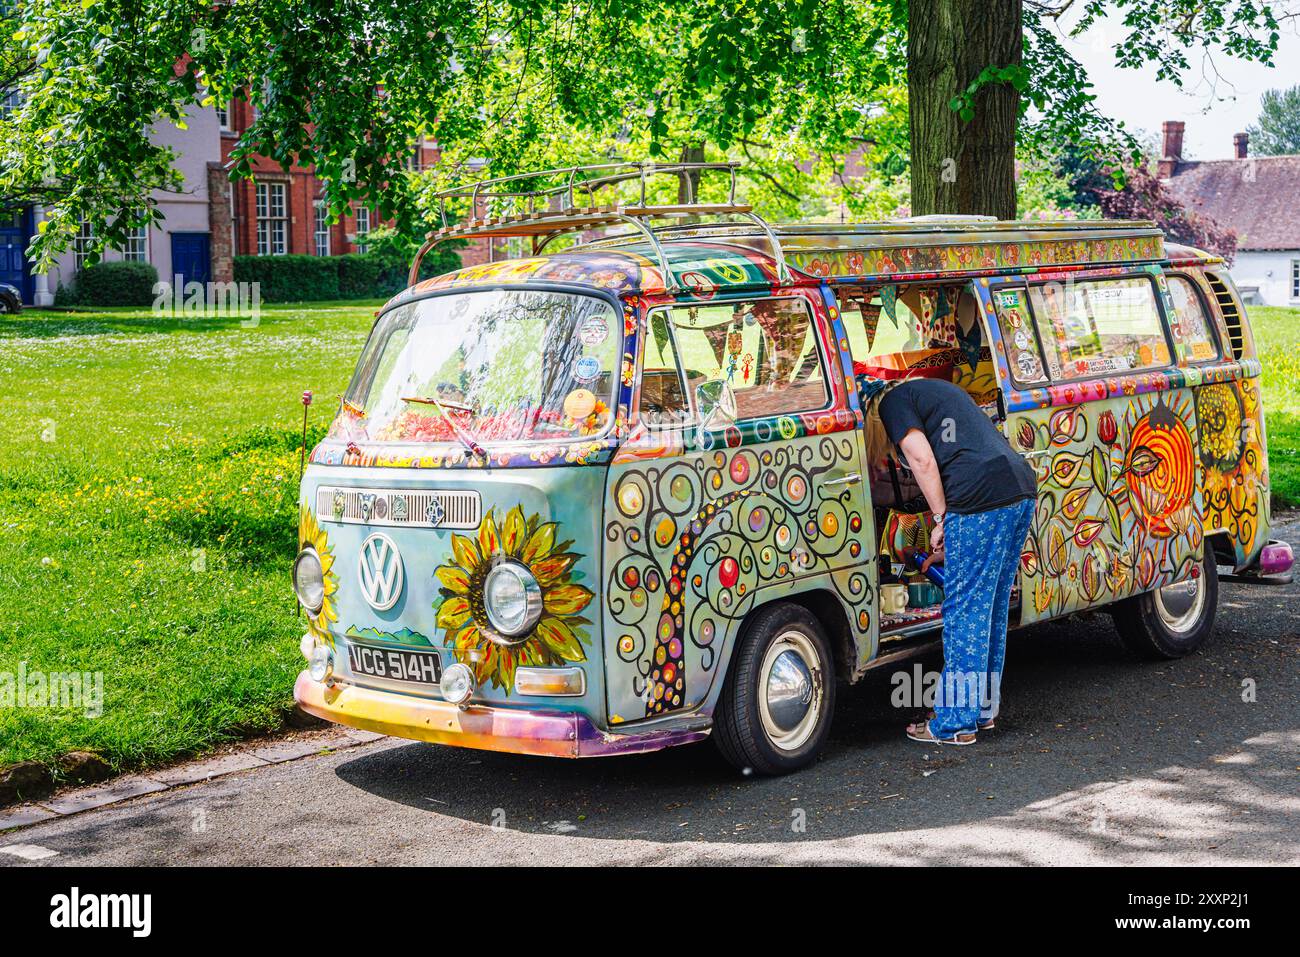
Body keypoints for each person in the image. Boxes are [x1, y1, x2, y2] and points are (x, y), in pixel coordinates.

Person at [867, 376, 1038, 746]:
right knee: (990, 608)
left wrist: (943, 519)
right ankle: (981, 710)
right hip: (1019, 487)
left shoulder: (892, 404)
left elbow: (922, 458)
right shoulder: (934, 392)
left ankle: (953, 723)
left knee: (965, 612)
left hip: (979, 498)